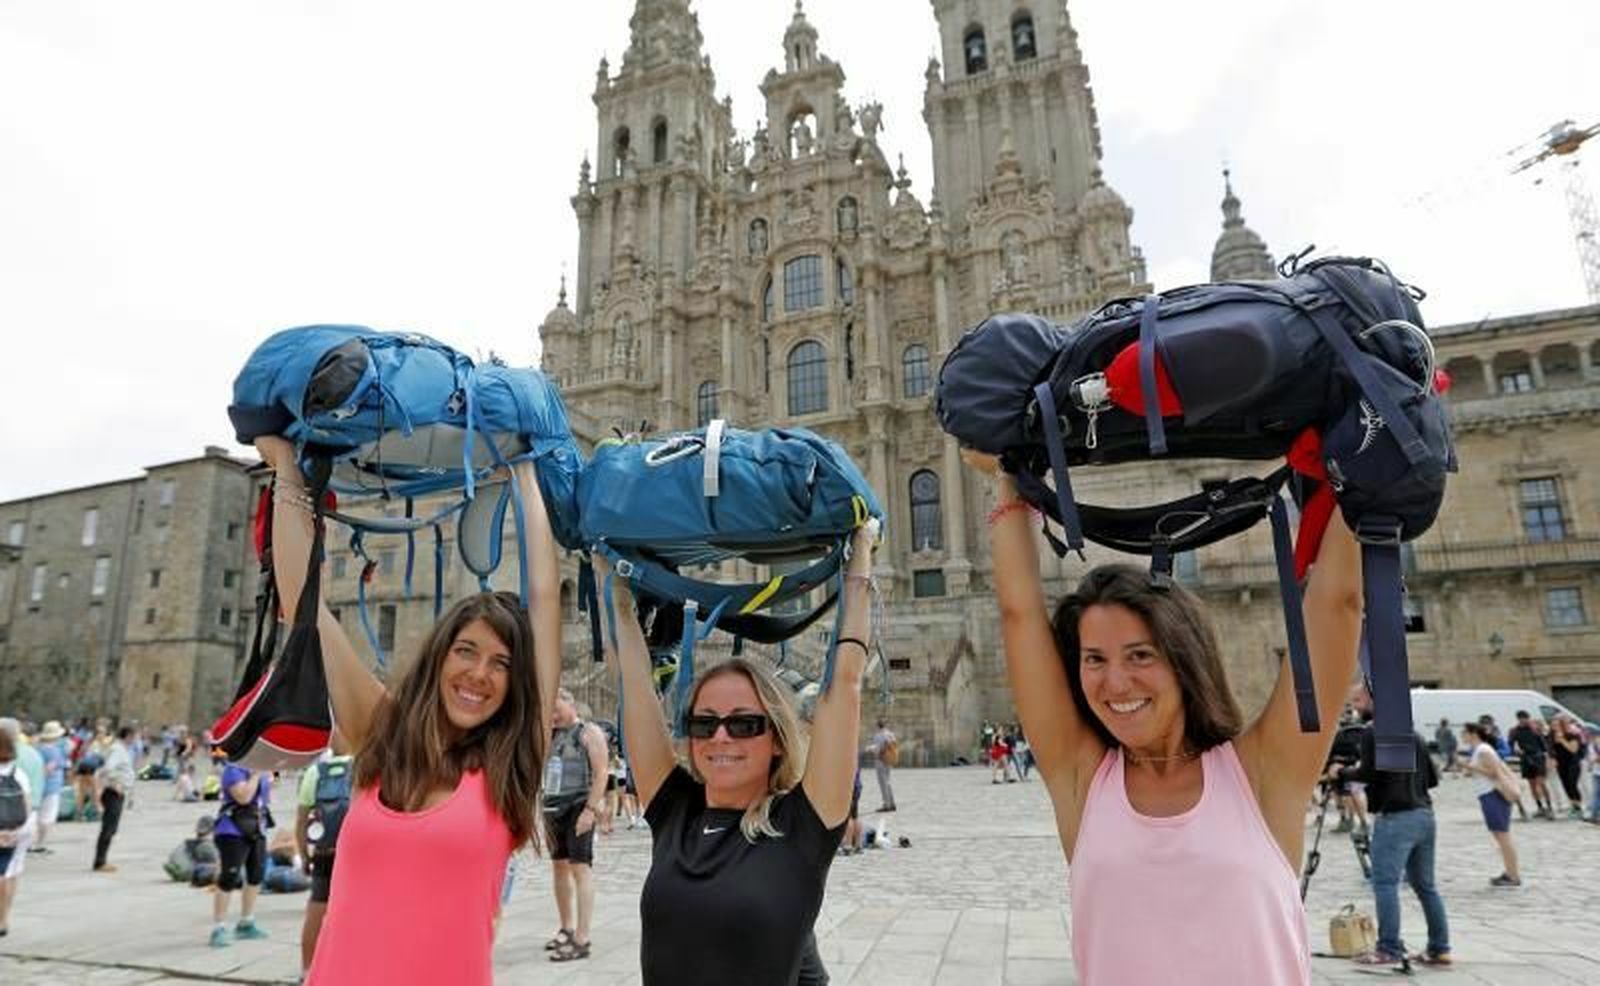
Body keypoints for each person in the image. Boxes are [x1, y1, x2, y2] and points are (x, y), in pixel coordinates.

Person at [967, 449, 1364, 985]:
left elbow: (1336, 603)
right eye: (1094, 660)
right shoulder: (1082, 780)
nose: (1115, 683)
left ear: (1184, 659)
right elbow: (1019, 613)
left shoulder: (1262, 774)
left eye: (1140, 655)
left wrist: (1363, 454)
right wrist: (1008, 476)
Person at [255, 436, 560, 986]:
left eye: (500, 663)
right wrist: (284, 470)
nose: (479, 674)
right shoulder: (381, 730)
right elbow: (304, 596)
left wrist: (529, 472)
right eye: (466, 651)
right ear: (439, 655)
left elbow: (544, 596)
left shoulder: (509, 768)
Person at [598, 520, 876, 986]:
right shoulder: (675, 812)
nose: (720, 738)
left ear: (777, 739)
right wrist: (616, 587)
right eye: (704, 723)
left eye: (744, 723)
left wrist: (860, 555)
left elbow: (845, 683)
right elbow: (634, 682)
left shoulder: (802, 827)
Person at [1330, 686, 1450, 967]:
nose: (1355, 707)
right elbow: (1432, 779)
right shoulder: (1414, 734)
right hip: (1424, 815)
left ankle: (1388, 948)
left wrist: (1342, 772)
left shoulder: (1373, 731)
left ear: (1374, 700)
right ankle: (1439, 948)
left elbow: (1367, 774)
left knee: (1384, 883)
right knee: (1425, 886)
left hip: (1395, 817)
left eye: (1358, 700)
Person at [540, 687, 608, 963]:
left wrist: (590, 810)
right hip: (552, 805)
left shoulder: (588, 732)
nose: (553, 716)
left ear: (569, 703)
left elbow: (602, 772)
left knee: (580, 867)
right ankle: (566, 927)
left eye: (556, 709)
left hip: (579, 804)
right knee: (559, 866)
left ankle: (582, 936)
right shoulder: (549, 734)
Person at [295, 735, 353, 973]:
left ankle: (307, 972)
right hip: (353, 855)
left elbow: (301, 822)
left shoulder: (314, 772)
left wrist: (305, 856)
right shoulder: (363, 766)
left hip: (323, 852)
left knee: (316, 912)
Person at [209, 760, 271, 946]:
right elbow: (243, 797)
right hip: (232, 830)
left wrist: (266, 773)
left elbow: (268, 789)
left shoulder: (260, 768)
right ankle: (219, 926)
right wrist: (255, 775)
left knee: (256, 875)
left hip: (257, 827)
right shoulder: (233, 769)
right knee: (229, 877)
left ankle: (246, 921)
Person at [1460, 721, 1521, 886]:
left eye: (1464, 733)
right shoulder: (1478, 750)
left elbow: (1494, 773)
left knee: (1503, 836)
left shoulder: (1483, 750)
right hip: (1488, 794)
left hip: (1494, 794)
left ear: (1473, 734)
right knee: (1500, 836)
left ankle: (1513, 875)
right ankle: (1509, 872)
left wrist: (1471, 767)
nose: (1462, 736)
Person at [0, 727, 38, 937]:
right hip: (16, 830)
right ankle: (3, 919)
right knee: (8, 874)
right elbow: (27, 805)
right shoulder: (18, 773)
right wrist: (16, 831)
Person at [92, 725, 135, 872]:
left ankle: (101, 859)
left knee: (112, 827)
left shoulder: (120, 749)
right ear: (128, 736)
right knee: (109, 827)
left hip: (117, 792)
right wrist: (115, 783)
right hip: (113, 792)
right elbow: (109, 768)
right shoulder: (118, 750)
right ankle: (100, 861)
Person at [1507, 710, 1552, 819]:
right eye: (1521, 718)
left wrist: (1546, 758)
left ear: (1528, 718)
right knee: (1532, 784)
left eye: (1525, 718)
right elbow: (1510, 746)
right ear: (1518, 719)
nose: (1523, 720)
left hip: (1538, 758)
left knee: (1541, 783)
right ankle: (1540, 807)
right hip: (1525, 759)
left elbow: (1544, 746)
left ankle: (1550, 808)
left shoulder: (1535, 729)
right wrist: (1516, 751)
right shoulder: (1515, 731)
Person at [31, 721, 68, 852]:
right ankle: (39, 844)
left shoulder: (37, 749)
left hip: (37, 787)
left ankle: (31, 843)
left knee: (35, 815)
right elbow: (49, 769)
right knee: (47, 817)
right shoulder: (54, 751)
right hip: (51, 786)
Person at [1548, 714, 1584, 818]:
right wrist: (1552, 758)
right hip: (1561, 763)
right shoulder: (1551, 735)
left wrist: (1562, 740)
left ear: (1562, 725)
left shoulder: (1571, 734)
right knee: (1566, 784)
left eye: (1557, 725)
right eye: (1553, 725)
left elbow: (1573, 750)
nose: (1554, 727)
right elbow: (1551, 749)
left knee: (1572, 783)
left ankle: (1579, 807)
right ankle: (1573, 806)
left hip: (1573, 762)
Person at [867, 719, 897, 811]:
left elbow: (877, 749)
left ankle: (886, 804)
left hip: (880, 761)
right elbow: (894, 745)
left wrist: (869, 749)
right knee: (888, 782)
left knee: (883, 783)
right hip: (889, 759)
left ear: (877, 726)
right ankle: (892, 803)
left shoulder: (878, 736)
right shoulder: (891, 734)